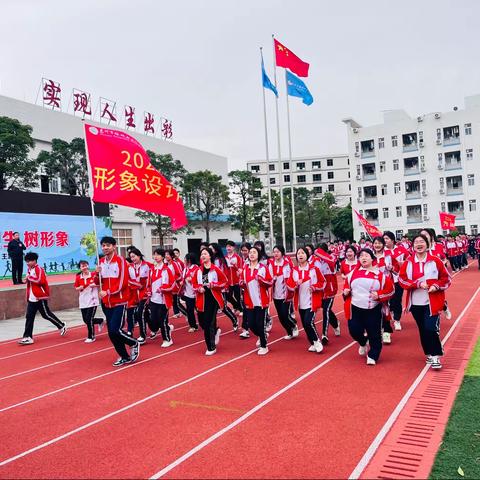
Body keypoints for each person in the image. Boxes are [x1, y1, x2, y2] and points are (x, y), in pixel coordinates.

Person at [399, 234, 451, 370]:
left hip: (431, 302)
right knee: (422, 329)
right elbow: (402, 280)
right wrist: (417, 284)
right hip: (415, 303)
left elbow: (446, 279)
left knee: (430, 328)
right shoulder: (408, 262)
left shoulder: (435, 261)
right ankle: (428, 352)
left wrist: (436, 286)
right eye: (416, 242)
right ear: (413, 246)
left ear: (427, 244)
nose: (419, 244)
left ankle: (436, 355)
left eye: (422, 241)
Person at [344, 248, 394, 365]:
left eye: (366, 255)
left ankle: (373, 354)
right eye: (361, 256)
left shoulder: (380, 275)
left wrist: (379, 295)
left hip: (373, 309)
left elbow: (391, 291)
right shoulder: (353, 274)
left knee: (374, 333)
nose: (364, 258)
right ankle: (362, 342)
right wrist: (345, 291)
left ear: (372, 258)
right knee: (354, 330)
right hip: (355, 307)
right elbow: (346, 287)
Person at [96, 236, 140, 367]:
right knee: (111, 333)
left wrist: (108, 292)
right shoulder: (101, 262)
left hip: (119, 301)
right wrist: (96, 273)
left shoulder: (120, 261)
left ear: (114, 246)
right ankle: (124, 356)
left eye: (108, 245)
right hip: (106, 302)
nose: (105, 248)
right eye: (103, 245)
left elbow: (123, 282)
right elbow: (97, 282)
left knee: (115, 330)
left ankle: (133, 343)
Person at [18, 252, 67, 345]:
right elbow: (31, 281)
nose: (27, 263)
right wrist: (27, 280)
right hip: (32, 298)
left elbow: (40, 281)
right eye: (26, 261)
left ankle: (61, 325)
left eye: (29, 261)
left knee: (46, 315)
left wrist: (29, 278)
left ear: (34, 261)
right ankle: (27, 337)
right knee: (29, 317)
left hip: (40, 297)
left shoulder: (39, 269)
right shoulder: (30, 270)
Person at [287, 247, 325, 353]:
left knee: (309, 322)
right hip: (300, 302)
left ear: (307, 255)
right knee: (304, 324)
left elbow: (323, 282)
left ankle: (317, 341)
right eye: (298, 253)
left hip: (312, 301)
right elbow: (289, 285)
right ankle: (312, 343)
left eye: (303, 253)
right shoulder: (294, 270)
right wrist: (295, 285)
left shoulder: (314, 269)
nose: (300, 255)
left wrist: (314, 287)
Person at [193, 248, 228, 355]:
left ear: (210, 256)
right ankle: (216, 330)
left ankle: (211, 347)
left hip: (212, 299)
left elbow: (224, 281)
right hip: (201, 299)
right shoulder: (198, 270)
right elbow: (194, 283)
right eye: (201, 254)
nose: (203, 256)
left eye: (205, 254)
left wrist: (214, 285)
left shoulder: (215, 269)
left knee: (208, 323)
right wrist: (199, 288)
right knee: (203, 323)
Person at [240, 246, 273, 355]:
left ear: (258, 255)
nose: (252, 254)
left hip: (261, 301)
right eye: (250, 252)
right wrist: (242, 284)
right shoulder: (245, 269)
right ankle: (262, 334)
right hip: (249, 301)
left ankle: (264, 346)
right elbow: (242, 281)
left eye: (254, 252)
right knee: (251, 325)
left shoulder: (263, 268)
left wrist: (261, 279)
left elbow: (270, 282)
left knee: (260, 324)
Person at [372, 236, 399, 345]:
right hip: (372, 286)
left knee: (384, 307)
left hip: (385, 286)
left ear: (383, 244)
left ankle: (387, 331)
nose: (377, 245)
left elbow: (398, 270)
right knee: (373, 309)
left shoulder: (389, 256)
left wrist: (392, 268)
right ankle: (376, 330)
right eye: (375, 243)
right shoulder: (370, 256)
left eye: (379, 243)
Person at [312, 244, 339, 345]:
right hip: (320, 290)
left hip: (330, 290)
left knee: (326, 311)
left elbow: (332, 264)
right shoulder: (315, 260)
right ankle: (336, 324)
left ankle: (324, 334)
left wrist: (320, 254)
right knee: (326, 309)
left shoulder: (331, 258)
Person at [270, 245, 298, 340]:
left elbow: (293, 275)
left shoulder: (287, 263)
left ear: (282, 253)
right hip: (275, 294)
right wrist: (272, 279)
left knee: (285, 314)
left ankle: (293, 325)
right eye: (274, 252)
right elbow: (268, 277)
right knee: (281, 317)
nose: (276, 254)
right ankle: (289, 332)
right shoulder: (271, 263)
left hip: (285, 294)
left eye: (278, 251)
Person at [383, 231, 409, 331]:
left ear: (392, 240)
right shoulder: (382, 252)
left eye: (387, 239)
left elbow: (408, 259)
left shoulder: (401, 249)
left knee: (397, 299)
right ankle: (388, 316)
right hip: (386, 280)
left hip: (398, 279)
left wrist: (403, 263)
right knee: (387, 300)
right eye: (384, 239)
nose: (385, 241)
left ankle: (397, 320)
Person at [149, 248, 176, 347]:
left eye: (158, 255)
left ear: (162, 256)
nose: (156, 257)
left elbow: (172, 284)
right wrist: (148, 292)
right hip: (153, 299)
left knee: (162, 319)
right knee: (154, 319)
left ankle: (167, 339)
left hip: (163, 300)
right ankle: (168, 329)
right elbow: (149, 283)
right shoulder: (152, 269)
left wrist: (163, 289)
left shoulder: (166, 269)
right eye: (154, 255)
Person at [209, 242, 239, 330]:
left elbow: (222, 274)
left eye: (211, 249)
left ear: (215, 250)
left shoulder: (219, 260)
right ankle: (213, 327)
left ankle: (234, 320)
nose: (209, 250)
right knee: (212, 308)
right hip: (211, 287)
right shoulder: (211, 260)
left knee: (223, 307)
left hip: (219, 287)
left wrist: (224, 286)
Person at [74, 260, 104, 343]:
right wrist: (79, 288)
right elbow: (76, 287)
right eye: (82, 266)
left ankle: (91, 336)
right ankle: (100, 321)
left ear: (88, 265)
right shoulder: (78, 277)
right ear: (80, 268)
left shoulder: (94, 274)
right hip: (83, 300)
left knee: (89, 318)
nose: (84, 267)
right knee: (85, 320)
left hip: (92, 299)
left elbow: (101, 283)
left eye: (85, 265)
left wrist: (94, 285)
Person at [127, 248, 150, 344]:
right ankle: (155, 327)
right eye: (131, 257)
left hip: (145, 294)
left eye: (134, 256)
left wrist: (147, 289)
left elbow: (151, 279)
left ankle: (143, 335)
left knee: (140, 313)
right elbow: (128, 280)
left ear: (139, 256)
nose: (132, 259)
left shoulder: (147, 266)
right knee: (142, 314)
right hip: (134, 295)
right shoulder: (130, 267)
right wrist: (136, 284)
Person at [177, 253, 200, 332]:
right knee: (190, 310)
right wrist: (182, 282)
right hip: (188, 294)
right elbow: (183, 279)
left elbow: (199, 280)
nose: (184, 261)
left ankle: (204, 323)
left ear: (189, 260)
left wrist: (192, 280)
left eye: (185, 259)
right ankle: (193, 326)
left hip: (196, 293)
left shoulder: (196, 268)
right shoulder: (185, 269)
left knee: (199, 310)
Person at [225, 241, 243, 315]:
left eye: (230, 246)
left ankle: (240, 309)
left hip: (236, 280)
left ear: (233, 247)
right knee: (228, 296)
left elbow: (240, 269)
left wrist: (235, 266)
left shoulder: (237, 257)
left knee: (237, 296)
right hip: (228, 281)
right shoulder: (225, 258)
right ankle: (236, 306)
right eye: (227, 247)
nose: (228, 248)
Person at [165, 249, 183, 319]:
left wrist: (174, 280)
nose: (166, 256)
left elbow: (180, 274)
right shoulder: (166, 265)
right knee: (174, 301)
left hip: (176, 285)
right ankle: (177, 312)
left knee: (176, 301)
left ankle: (186, 313)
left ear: (172, 256)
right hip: (169, 286)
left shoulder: (175, 263)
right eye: (165, 254)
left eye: (168, 254)